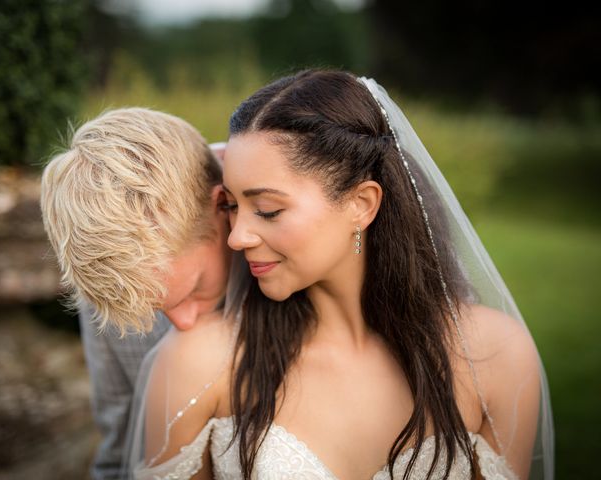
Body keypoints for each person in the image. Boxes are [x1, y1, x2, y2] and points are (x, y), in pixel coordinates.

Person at [127, 70, 554, 480]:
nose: (237, 237)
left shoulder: (494, 357)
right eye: (233, 206)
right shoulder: (201, 363)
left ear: (361, 204)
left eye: (268, 210)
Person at [39, 108, 234, 480]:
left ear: (222, 205)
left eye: (193, 289)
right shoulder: (110, 275)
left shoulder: (289, 237)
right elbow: (119, 441)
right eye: (156, 310)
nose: (183, 322)